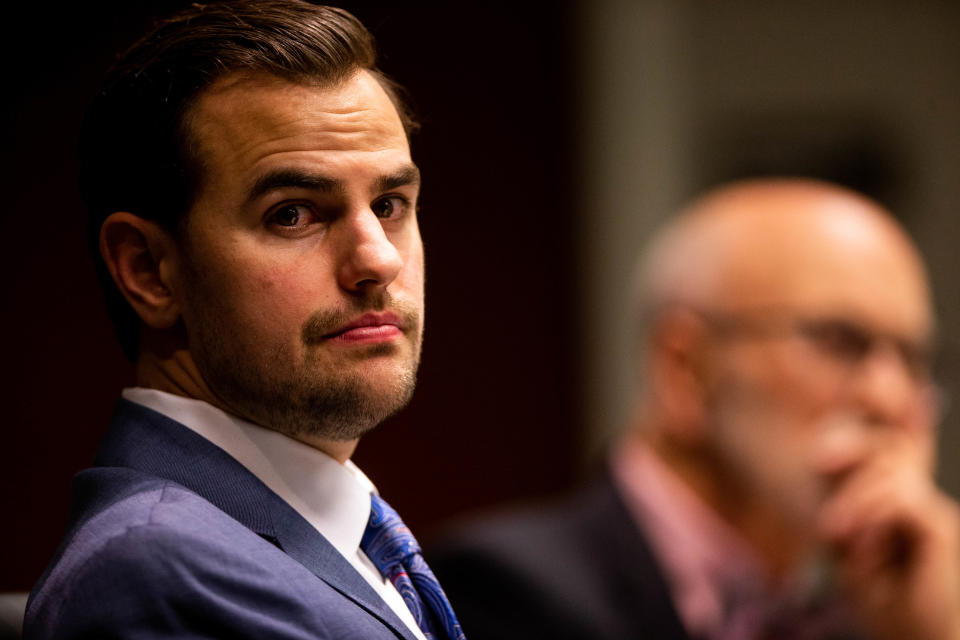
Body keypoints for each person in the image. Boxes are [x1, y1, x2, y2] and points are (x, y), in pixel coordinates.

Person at [24, 3, 464, 639]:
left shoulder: (335, 538)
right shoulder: (158, 574)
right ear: (149, 269)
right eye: (293, 214)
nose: (378, 259)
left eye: (390, 204)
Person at [431, 179, 960, 640]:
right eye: (839, 341)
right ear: (683, 369)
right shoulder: (501, 591)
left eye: (914, 360)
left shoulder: (893, 618)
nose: (892, 399)